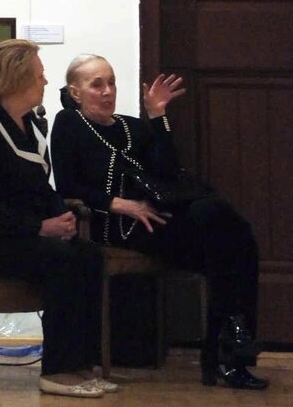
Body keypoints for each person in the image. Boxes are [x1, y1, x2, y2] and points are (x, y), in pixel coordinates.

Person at [50, 55, 267, 391]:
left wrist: (157, 115)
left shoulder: (132, 127)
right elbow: (67, 186)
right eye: (97, 85)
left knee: (234, 241)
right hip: (118, 226)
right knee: (227, 241)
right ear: (76, 92)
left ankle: (229, 350)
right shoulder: (69, 123)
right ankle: (227, 354)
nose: (108, 91)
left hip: (160, 219)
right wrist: (120, 204)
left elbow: (166, 171)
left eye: (111, 83)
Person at [0, 39, 111, 398]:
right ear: (16, 79)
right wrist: (40, 227)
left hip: (13, 231)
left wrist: (60, 215)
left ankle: (81, 364)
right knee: (63, 261)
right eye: (39, 75)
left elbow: (37, 186)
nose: (45, 81)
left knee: (90, 255)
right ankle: (57, 372)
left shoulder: (28, 123)